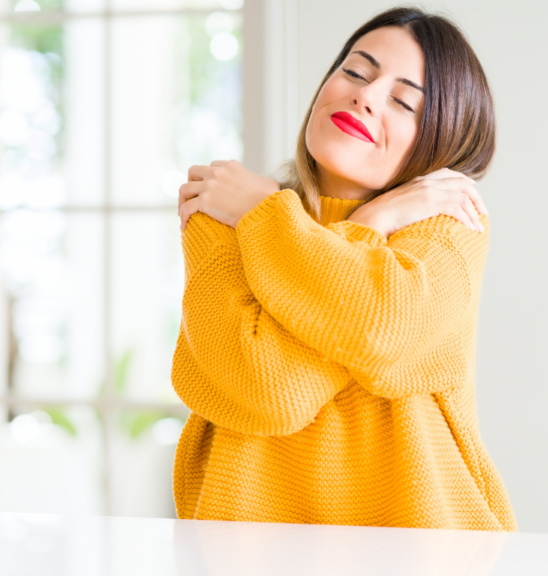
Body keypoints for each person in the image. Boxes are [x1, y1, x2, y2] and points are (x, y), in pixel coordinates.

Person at [170, 6, 516, 531]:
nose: (366, 97)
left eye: (403, 102)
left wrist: (284, 217)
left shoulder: (447, 226)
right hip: (243, 550)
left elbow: (380, 326)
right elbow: (270, 393)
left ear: (441, 138)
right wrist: (365, 227)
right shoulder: (222, 221)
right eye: (355, 71)